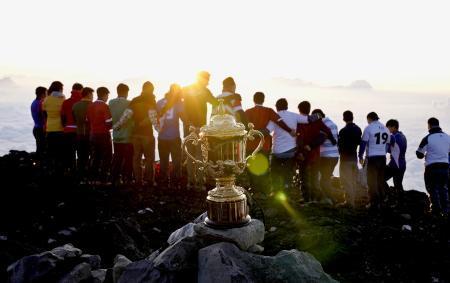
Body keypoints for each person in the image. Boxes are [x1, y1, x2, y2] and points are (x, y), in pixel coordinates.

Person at [244, 92, 295, 194]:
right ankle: (263, 192)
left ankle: (254, 190)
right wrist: (289, 130)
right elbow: (279, 121)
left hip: (250, 145)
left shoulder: (247, 112)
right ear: (263, 100)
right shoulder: (269, 111)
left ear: (254, 100)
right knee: (263, 169)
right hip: (264, 145)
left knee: (251, 168)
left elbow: (243, 126)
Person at [114, 81, 159, 186]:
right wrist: (159, 130)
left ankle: (138, 180)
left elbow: (126, 117)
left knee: (136, 158)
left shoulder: (134, 100)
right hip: (147, 135)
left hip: (135, 135)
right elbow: (153, 118)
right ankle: (149, 180)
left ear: (142, 89)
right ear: (152, 90)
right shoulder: (151, 101)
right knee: (149, 159)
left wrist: (116, 127)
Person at [182, 71, 218, 190]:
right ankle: (200, 183)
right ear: (202, 78)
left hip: (188, 127)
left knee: (190, 155)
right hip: (200, 128)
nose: (208, 82)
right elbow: (216, 103)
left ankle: (190, 183)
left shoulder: (186, 89)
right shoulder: (205, 91)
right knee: (200, 156)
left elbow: (181, 105)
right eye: (207, 79)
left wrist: (187, 123)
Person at [297, 101, 336, 203]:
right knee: (314, 178)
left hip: (304, 154)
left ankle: (306, 199)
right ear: (309, 109)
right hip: (315, 155)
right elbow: (327, 130)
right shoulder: (317, 121)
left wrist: (300, 152)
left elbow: (299, 138)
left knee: (304, 178)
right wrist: (333, 140)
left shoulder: (299, 122)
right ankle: (315, 199)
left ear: (299, 110)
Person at [268, 98, 308, 195]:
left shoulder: (274, 118)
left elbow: (268, 131)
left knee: (275, 172)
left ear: (276, 107)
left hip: (277, 151)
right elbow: (308, 119)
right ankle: (287, 190)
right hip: (290, 151)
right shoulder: (294, 116)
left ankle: (276, 191)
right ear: (287, 106)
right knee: (288, 173)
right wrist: (319, 116)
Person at [416, 117, 449, 216]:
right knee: (443, 188)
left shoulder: (427, 138)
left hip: (432, 167)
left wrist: (424, 154)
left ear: (429, 125)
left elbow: (419, 154)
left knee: (432, 188)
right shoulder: (448, 137)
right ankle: (446, 210)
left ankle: (436, 209)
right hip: (445, 166)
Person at [358, 112, 390, 211]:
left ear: (369, 118)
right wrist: (383, 152)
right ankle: (382, 201)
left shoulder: (369, 128)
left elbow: (363, 143)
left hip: (372, 157)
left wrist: (360, 156)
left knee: (372, 181)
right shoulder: (385, 128)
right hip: (382, 157)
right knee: (380, 180)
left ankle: (374, 203)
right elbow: (387, 144)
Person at [156, 84, 184, 189]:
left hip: (162, 136)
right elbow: (183, 117)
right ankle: (176, 183)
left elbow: (155, 119)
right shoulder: (178, 103)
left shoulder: (159, 102)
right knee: (177, 160)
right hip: (174, 136)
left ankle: (164, 181)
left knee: (163, 161)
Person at [312, 109, 339, 203]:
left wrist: (310, 146)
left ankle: (331, 199)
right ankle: (327, 198)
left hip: (326, 156)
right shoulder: (333, 123)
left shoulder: (324, 124)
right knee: (325, 178)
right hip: (335, 155)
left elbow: (321, 139)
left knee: (324, 180)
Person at [87, 87, 113, 183]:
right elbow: (108, 122)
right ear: (104, 95)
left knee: (96, 157)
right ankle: (103, 178)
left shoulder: (91, 106)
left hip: (93, 134)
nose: (107, 98)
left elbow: (88, 119)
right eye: (107, 95)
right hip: (103, 135)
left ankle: (93, 178)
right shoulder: (104, 106)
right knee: (107, 157)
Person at [109, 83, 133, 185]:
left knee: (117, 158)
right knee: (128, 159)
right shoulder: (129, 103)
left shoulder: (111, 102)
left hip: (116, 135)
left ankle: (115, 179)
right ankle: (127, 179)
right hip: (127, 136)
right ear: (126, 92)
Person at [338, 110, 362, 207]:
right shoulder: (358, 129)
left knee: (346, 181)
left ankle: (349, 202)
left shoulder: (343, 131)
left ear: (344, 119)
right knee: (353, 180)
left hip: (345, 159)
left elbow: (340, 146)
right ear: (353, 117)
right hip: (354, 158)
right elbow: (360, 142)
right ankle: (353, 199)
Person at [42, 81, 65, 175]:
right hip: (60, 129)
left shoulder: (47, 99)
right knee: (60, 153)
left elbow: (44, 113)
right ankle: (59, 172)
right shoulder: (62, 99)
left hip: (50, 129)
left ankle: (49, 171)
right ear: (60, 89)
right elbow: (64, 114)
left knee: (50, 152)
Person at [61, 83, 83, 173]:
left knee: (70, 154)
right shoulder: (82, 102)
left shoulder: (66, 102)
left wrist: (65, 127)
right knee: (81, 154)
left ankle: (70, 171)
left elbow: (63, 117)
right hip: (80, 132)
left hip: (67, 131)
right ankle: (80, 172)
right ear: (81, 90)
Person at [72, 87, 94, 180]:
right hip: (90, 134)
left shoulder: (75, 105)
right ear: (89, 94)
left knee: (81, 157)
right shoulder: (92, 105)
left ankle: (80, 176)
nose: (93, 96)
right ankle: (90, 175)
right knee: (92, 156)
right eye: (92, 94)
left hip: (79, 134)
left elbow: (74, 119)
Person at [385, 119, 407, 193]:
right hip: (402, 164)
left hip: (395, 164)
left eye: (388, 127)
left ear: (393, 127)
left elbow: (386, 149)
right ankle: (402, 201)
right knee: (398, 185)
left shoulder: (393, 137)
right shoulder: (403, 136)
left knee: (379, 178)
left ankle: (388, 195)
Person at [31, 86, 47, 159]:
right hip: (40, 130)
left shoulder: (34, 102)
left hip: (37, 129)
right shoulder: (39, 104)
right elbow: (42, 116)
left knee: (40, 150)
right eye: (46, 93)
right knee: (42, 151)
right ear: (42, 94)